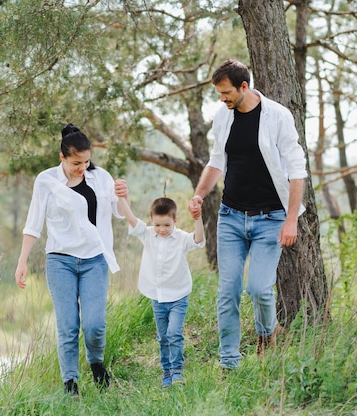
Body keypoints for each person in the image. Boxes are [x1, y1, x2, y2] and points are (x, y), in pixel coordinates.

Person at [188, 58, 307, 371]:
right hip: (230, 217)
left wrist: (292, 218)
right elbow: (216, 162)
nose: (223, 99)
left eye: (226, 93)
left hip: (271, 219)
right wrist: (199, 194)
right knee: (227, 292)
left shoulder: (278, 116)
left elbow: (297, 170)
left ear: (244, 86)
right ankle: (229, 363)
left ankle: (267, 335)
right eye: (219, 94)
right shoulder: (223, 117)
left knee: (258, 288)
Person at [15, 124, 125, 397]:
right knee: (68, 326)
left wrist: (124, 196)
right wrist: (22, 261)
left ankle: (96, 362)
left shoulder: (100, 178)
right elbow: (33, 223)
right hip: (60, 260)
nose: (82, 168)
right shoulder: (46, 181)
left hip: (94, 260)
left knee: (94, 325)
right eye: (76, 162)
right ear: (62, 157)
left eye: (87, 161)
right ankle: (71, 384)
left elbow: (121, 213)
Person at [115, 185, 205, 387]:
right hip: (157, 296)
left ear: (175, 221)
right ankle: (166, 372)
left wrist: (197, 218)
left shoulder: (181, 238)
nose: (161, 230)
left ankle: (177, 371)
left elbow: (198, 239)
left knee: (174, 333)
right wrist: (122, 198)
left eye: (166, 225)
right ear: (152, 221)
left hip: (178, 295)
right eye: (157, 225)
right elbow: (131, 220)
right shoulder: (147, 234)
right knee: (163, 337)